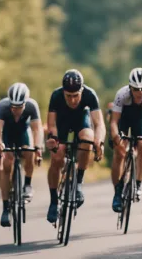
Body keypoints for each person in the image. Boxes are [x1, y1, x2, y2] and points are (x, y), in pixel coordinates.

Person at [45, 69, 106, 223]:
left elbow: (99, 124)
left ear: (82, 90)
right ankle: (53, 201)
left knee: (88, 138)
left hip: (81, 122)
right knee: (57, 157)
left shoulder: (89, 95)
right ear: (63, 92)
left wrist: (99, 142)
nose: (72, 100)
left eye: (76, 96)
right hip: (62, 124)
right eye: (68, 96)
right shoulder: (56, 95)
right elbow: (51, 125)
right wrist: (54, 140)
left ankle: (78, 182)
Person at [0, 83, 44, 227]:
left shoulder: (31, 106)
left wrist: (38, 147)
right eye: (13, 107)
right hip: (8, 134)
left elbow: (37, 129)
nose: (15, 110)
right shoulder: (2, 106)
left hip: (23, 132)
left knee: (29, 151)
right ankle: (5, 209)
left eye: (19, 107)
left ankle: (27, 184)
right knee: (7, 164)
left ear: (25, 103)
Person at [110, 67, 142, 213]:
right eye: (135, 89)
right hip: (123, 120)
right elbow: (114, 121)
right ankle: (117, 191)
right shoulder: (122, 94)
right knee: (119, 152)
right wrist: (116, 136)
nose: (139, 92)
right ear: (130, 87)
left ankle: (138, 183)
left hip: (140, 120)